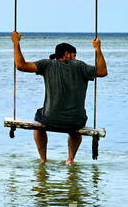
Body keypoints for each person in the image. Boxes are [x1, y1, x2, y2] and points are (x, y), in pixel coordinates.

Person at [11, 33, 108, 164]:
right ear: (67, 54)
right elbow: (102, 71)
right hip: (75, 120)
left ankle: (43, 159)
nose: (76, 58)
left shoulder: (47, 64)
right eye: (74, 55)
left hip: (50, 117)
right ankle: (70, 159)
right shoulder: (80, 66)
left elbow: (20, 65)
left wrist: (16, 43)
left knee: (38, 124)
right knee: (76, 128)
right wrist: (98, 49)